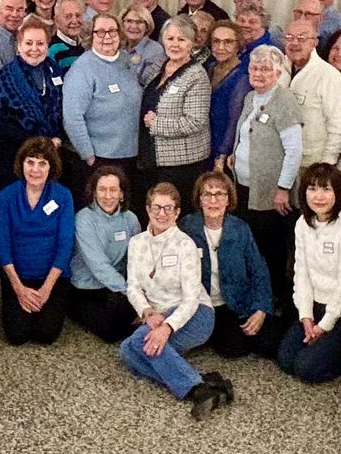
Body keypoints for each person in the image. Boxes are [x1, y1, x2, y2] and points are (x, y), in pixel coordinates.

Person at [121, 183, 233, 420]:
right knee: (127, 351)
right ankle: (204, 384)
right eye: (157, 207)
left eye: (168, 208)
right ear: (147, 209)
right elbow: (132, 286)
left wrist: (167, 328)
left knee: (140, 341)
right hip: (156, 315)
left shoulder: (186, 245)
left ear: (177, 213)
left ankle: (196, 391)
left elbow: (192, 298)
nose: (162, 214)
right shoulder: (136, 243)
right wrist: (147, 312)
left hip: (195, 315)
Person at [229, 46, 304, 321]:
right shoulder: (252, 96)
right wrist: (236, 154)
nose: (257, 74)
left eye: (264, 69)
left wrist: (283, 188)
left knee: (270, 249)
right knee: (251, 244)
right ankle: (255, 297)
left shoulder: (284, 101)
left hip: (270, 191)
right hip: (245, 185)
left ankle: (273, 302)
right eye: (253, 68)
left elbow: (294, 150)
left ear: (278, 72)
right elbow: (246, 131)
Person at [273, 164, 341, 382]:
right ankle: (325, 344)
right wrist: (306, 317)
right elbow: (301, 274)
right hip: (315, 306)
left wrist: (324, 325)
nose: (319, 196)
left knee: (306, 370)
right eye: (312, 189)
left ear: (338, 193)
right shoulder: (302, 224)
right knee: (286, 360)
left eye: (326, 189)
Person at [182, 170, 278, 359]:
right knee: (231, 347)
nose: (213, 200)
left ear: (228, 200)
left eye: (220, 194)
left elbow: (259, 271)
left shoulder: (240, 229)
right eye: (207, 194)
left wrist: (261, 308)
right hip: (201, 304)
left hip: (234, 302)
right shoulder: (187, 227)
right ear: (199, 199)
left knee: (263, 345)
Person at [0, 137, 76, 345]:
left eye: (42, 163)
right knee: (17, 336)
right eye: (30, 162)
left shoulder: (63, 196)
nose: (35, 170)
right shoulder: (7, 196)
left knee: (46, 335)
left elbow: (65, 245)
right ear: (21, 164)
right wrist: (19, 288)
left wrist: (47, 288)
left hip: (52, 277)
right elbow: (2, 244)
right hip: (17, 276)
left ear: (51, 167)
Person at [140, 16, 212, 201]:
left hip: (182, 164)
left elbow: (195, 122)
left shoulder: (197, 76)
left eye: (182, 39)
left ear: (192, 43)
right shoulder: (159, 66)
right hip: (152, 158)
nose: (175, 44)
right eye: (170, 38)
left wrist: (156, 124)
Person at [69, 165, 144, 342]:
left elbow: (137, 259)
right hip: (86, 288)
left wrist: (143, 290)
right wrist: (132, 293)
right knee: (110, 332)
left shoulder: (131, 219)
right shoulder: (84, 219)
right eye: (102, 190)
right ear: (94, 193)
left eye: (113, 190)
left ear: (122, 194)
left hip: (117, 288)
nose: (108, 196)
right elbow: (99, 266)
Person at [0, 16, 63, 183]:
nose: (34, 48)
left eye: (40, 43)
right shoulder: (7, 76)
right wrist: (40, 142)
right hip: (13, 159)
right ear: (19, 46)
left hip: (51, 156)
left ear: (48, 46)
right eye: (28, 43)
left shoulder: (54, 70)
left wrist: (56, 138)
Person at [64, 14, 142, 173]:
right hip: (99, 159)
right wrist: (88, 155)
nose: (107, 37)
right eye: (100, 32)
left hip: (130, 155)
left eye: (112, 31)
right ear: (90, 36)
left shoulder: (126, 60)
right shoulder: (82, 69)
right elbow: (72, 117)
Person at [284, 20, 341, 168]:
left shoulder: (328, 75)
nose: (294, 43)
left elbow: (337, 127)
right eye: (289, 37)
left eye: (302, 38)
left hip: (312, 164)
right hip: (279, 160)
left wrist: (326, 166)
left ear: (315, 42)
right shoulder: (278, 69)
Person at [206, 21, 250, 168]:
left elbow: (234, 121)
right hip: (204, 146)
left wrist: (222, 155)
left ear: (238, 45)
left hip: (225, 151)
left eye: (228, 42)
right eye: (216, 41)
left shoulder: (242, 76)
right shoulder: (210, 68)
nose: (221, 47)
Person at [120, 5, 164, 83]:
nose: (133, 26)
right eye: (129, 21)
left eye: (139, 22)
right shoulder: (117, 46)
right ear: (122, 24)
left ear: (147, 26)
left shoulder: (155, 50)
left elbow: (147, 83)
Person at [48, 0, 90, 72]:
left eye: (78, 15)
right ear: (57, 21)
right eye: (68, 17)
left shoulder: (86, 46)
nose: (75, 21)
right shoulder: (53, 51)